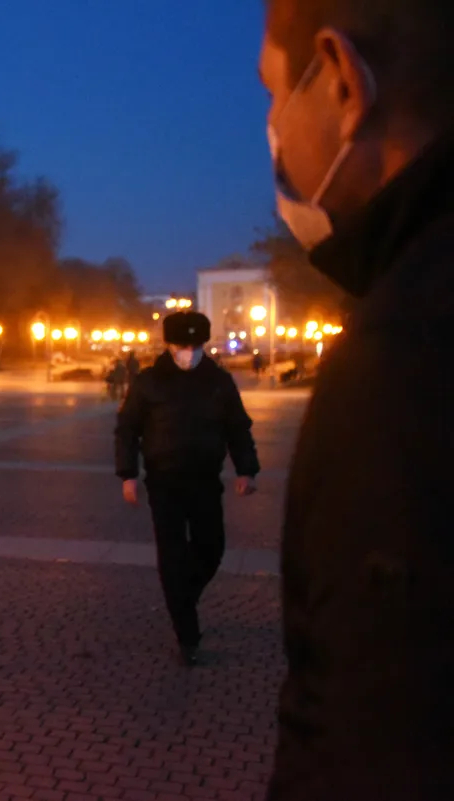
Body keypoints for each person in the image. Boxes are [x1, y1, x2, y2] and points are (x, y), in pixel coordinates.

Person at [260, 1, 454, 796]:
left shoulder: (402, 358)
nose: (272, 125)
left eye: (273, 92)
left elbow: (370, 740)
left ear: (342, 82)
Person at [114, 311, 259, 666]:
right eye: (183, 345)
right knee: (172, 553)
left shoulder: (219, 382)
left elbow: (238, 428)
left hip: (206, 480)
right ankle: (187, 634)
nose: (189, 351)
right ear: (169, 345)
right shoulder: (149, 382)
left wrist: (246, 469)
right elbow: (127, 429)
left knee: (212, 547)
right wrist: (128, 474)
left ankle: (182, 598)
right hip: (164, 481)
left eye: (196, 345)